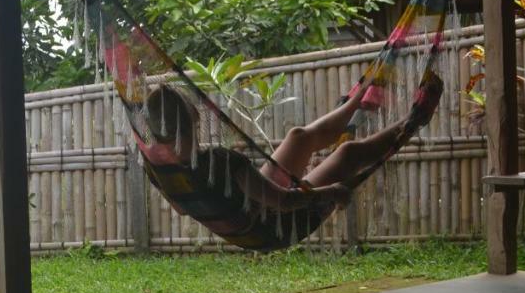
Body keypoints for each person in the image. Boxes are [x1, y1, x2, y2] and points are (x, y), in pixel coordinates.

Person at [140, 71, 444, 217]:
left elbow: (181, 209)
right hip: (275, 222)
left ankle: (355, 102)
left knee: (298, 136)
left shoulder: (157, 167)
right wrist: (333, 193)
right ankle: (413, 121)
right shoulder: (222, 161)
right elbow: (285, 202)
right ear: (195, 116)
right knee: (348, 153)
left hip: (256, 203)